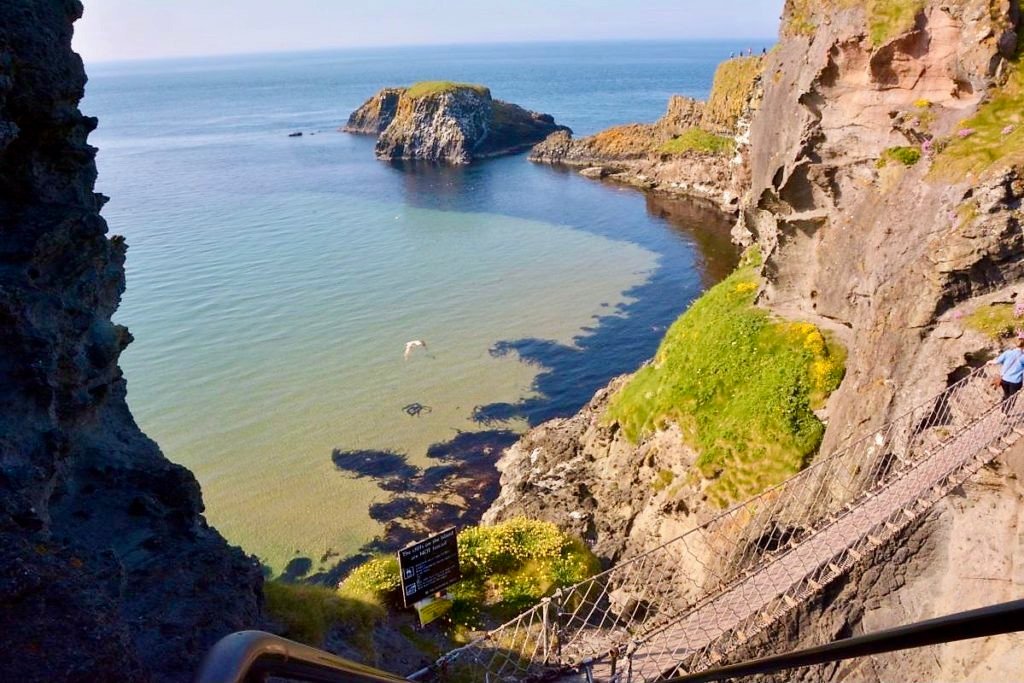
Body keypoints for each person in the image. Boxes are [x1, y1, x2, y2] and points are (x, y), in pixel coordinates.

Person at [988, 338, 1024, 412]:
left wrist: (990, 362)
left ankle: (1002, 408)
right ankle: (1005, 412)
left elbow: (997, 361)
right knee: (1012, 397)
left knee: (1006, 394)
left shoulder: (1008, 353)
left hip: (1004, 379)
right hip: (1015, 381)